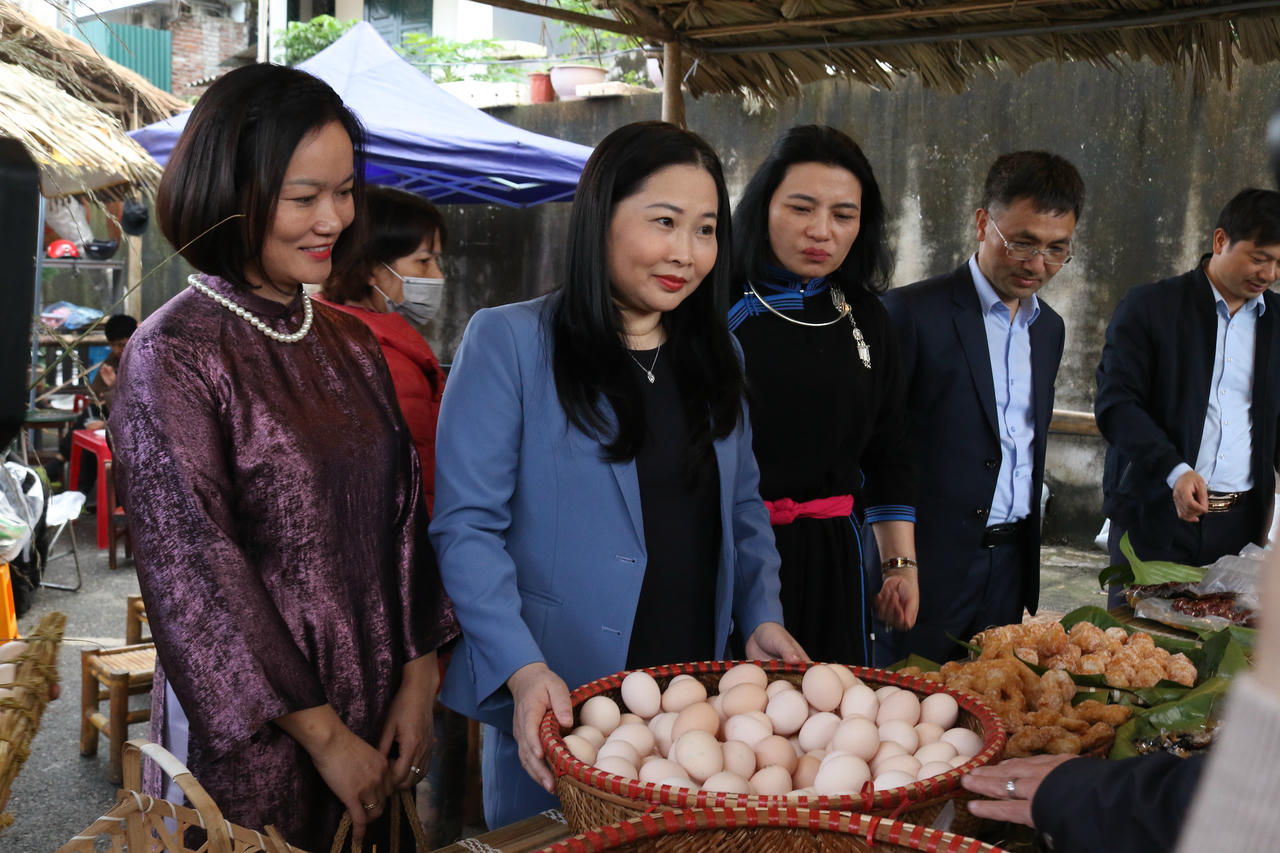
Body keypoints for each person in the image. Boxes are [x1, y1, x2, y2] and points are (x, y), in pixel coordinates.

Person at [109, 64, 457, 850]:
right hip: (262, 733)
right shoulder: (173, 355)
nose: (333, 218)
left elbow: (405, 520)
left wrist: (416, 678)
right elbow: (200, 575)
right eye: (304, 197)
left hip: (377, 694)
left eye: (344, 191)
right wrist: (328, 739)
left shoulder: (354, 342)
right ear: (231, 192)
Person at [430, 120, 807, 830]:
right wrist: (521, 667)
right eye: (663, 222)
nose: (685, 253)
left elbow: (744, 509)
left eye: (704, 229)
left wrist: (760, 615)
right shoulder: (510, 341)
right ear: (601, 217)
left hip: (695, 691)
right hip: (562, 688)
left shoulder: (718, 351)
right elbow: (466, 527)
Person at [726, 125, 917, 666]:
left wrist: (898, 567)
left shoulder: (865, 316)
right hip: (735, 554)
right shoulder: (713, 306)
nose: (821, 232)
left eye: (843, 215)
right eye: (801, 208)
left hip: (836, 555)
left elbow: (889, 448)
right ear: (764, 207)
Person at [881, 151, 1083, 663]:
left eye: (1057, 250)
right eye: (1022, 242)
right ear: (981, 224)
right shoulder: (912, 313)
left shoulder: (1049, 329)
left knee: (995, 708)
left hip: (1013, 565)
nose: (1037, 265)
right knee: (914, 711)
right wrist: (896, 562)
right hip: (928, 565)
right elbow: (880, 447)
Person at [1096, 188, 1280, 604]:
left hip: (1240, 527)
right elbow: (1116, 404)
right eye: (1259, 257)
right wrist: (1174, 470)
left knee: (1221, 659)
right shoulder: (1151, 307)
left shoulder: (1277, 324)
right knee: (1141, 655)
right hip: (1154, 521)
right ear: (1220, 241)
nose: (1269, 274)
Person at [316, 186, 449, 513]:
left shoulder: (328, 332)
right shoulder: (376, 359)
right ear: (371, 269)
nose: (437, 276)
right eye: (423, 261)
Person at [54, 313, 136, 498]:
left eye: (124, 344)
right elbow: (94, 395)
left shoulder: (142, 361)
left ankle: (68, 476)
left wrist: (113, 387)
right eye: (115, 345)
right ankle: (78, 489)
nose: (120, 350)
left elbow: (133, 410)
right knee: (86, 420)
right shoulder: (112, 361)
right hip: (109, 414)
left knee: (87, 428)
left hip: (130, 424)